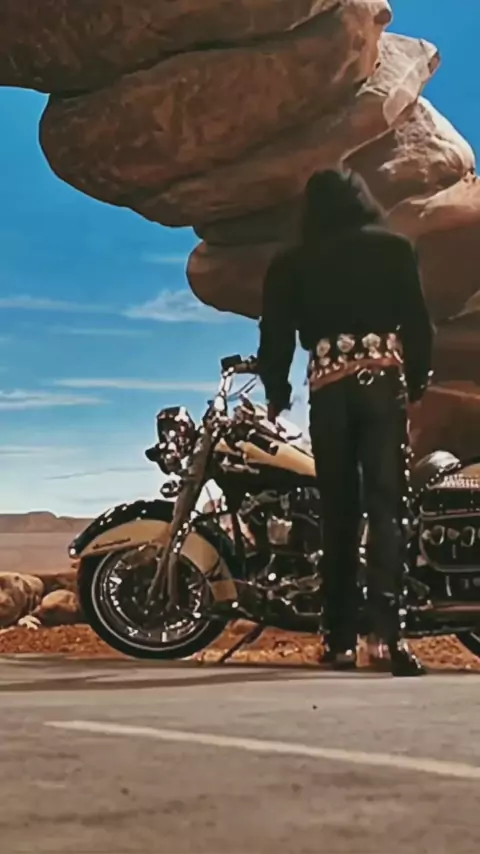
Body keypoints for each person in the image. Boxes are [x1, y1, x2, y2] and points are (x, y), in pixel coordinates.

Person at [256, 168, 434, 677]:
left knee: (338, 513)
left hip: (329, 393)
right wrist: (416, 382)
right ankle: (386, 639)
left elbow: (276, 335)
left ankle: (338, 641)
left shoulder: (292, 262)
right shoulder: (394, 248)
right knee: (386, 508)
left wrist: (276, 393)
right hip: (383, 390)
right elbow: (418, 322)